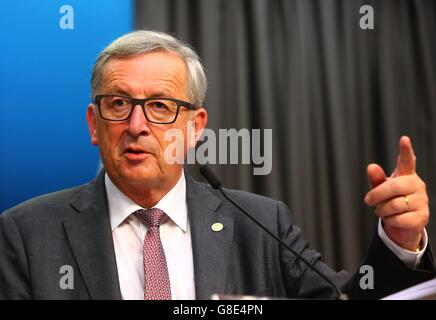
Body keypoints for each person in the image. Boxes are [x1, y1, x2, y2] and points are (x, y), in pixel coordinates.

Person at [0, 30, 434, 300]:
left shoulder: (262, 224)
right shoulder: (25, 233)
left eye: (160, 106)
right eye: (118, 104)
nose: (137, 125)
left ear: (195, 127)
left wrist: (399, 241)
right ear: (95, 124)